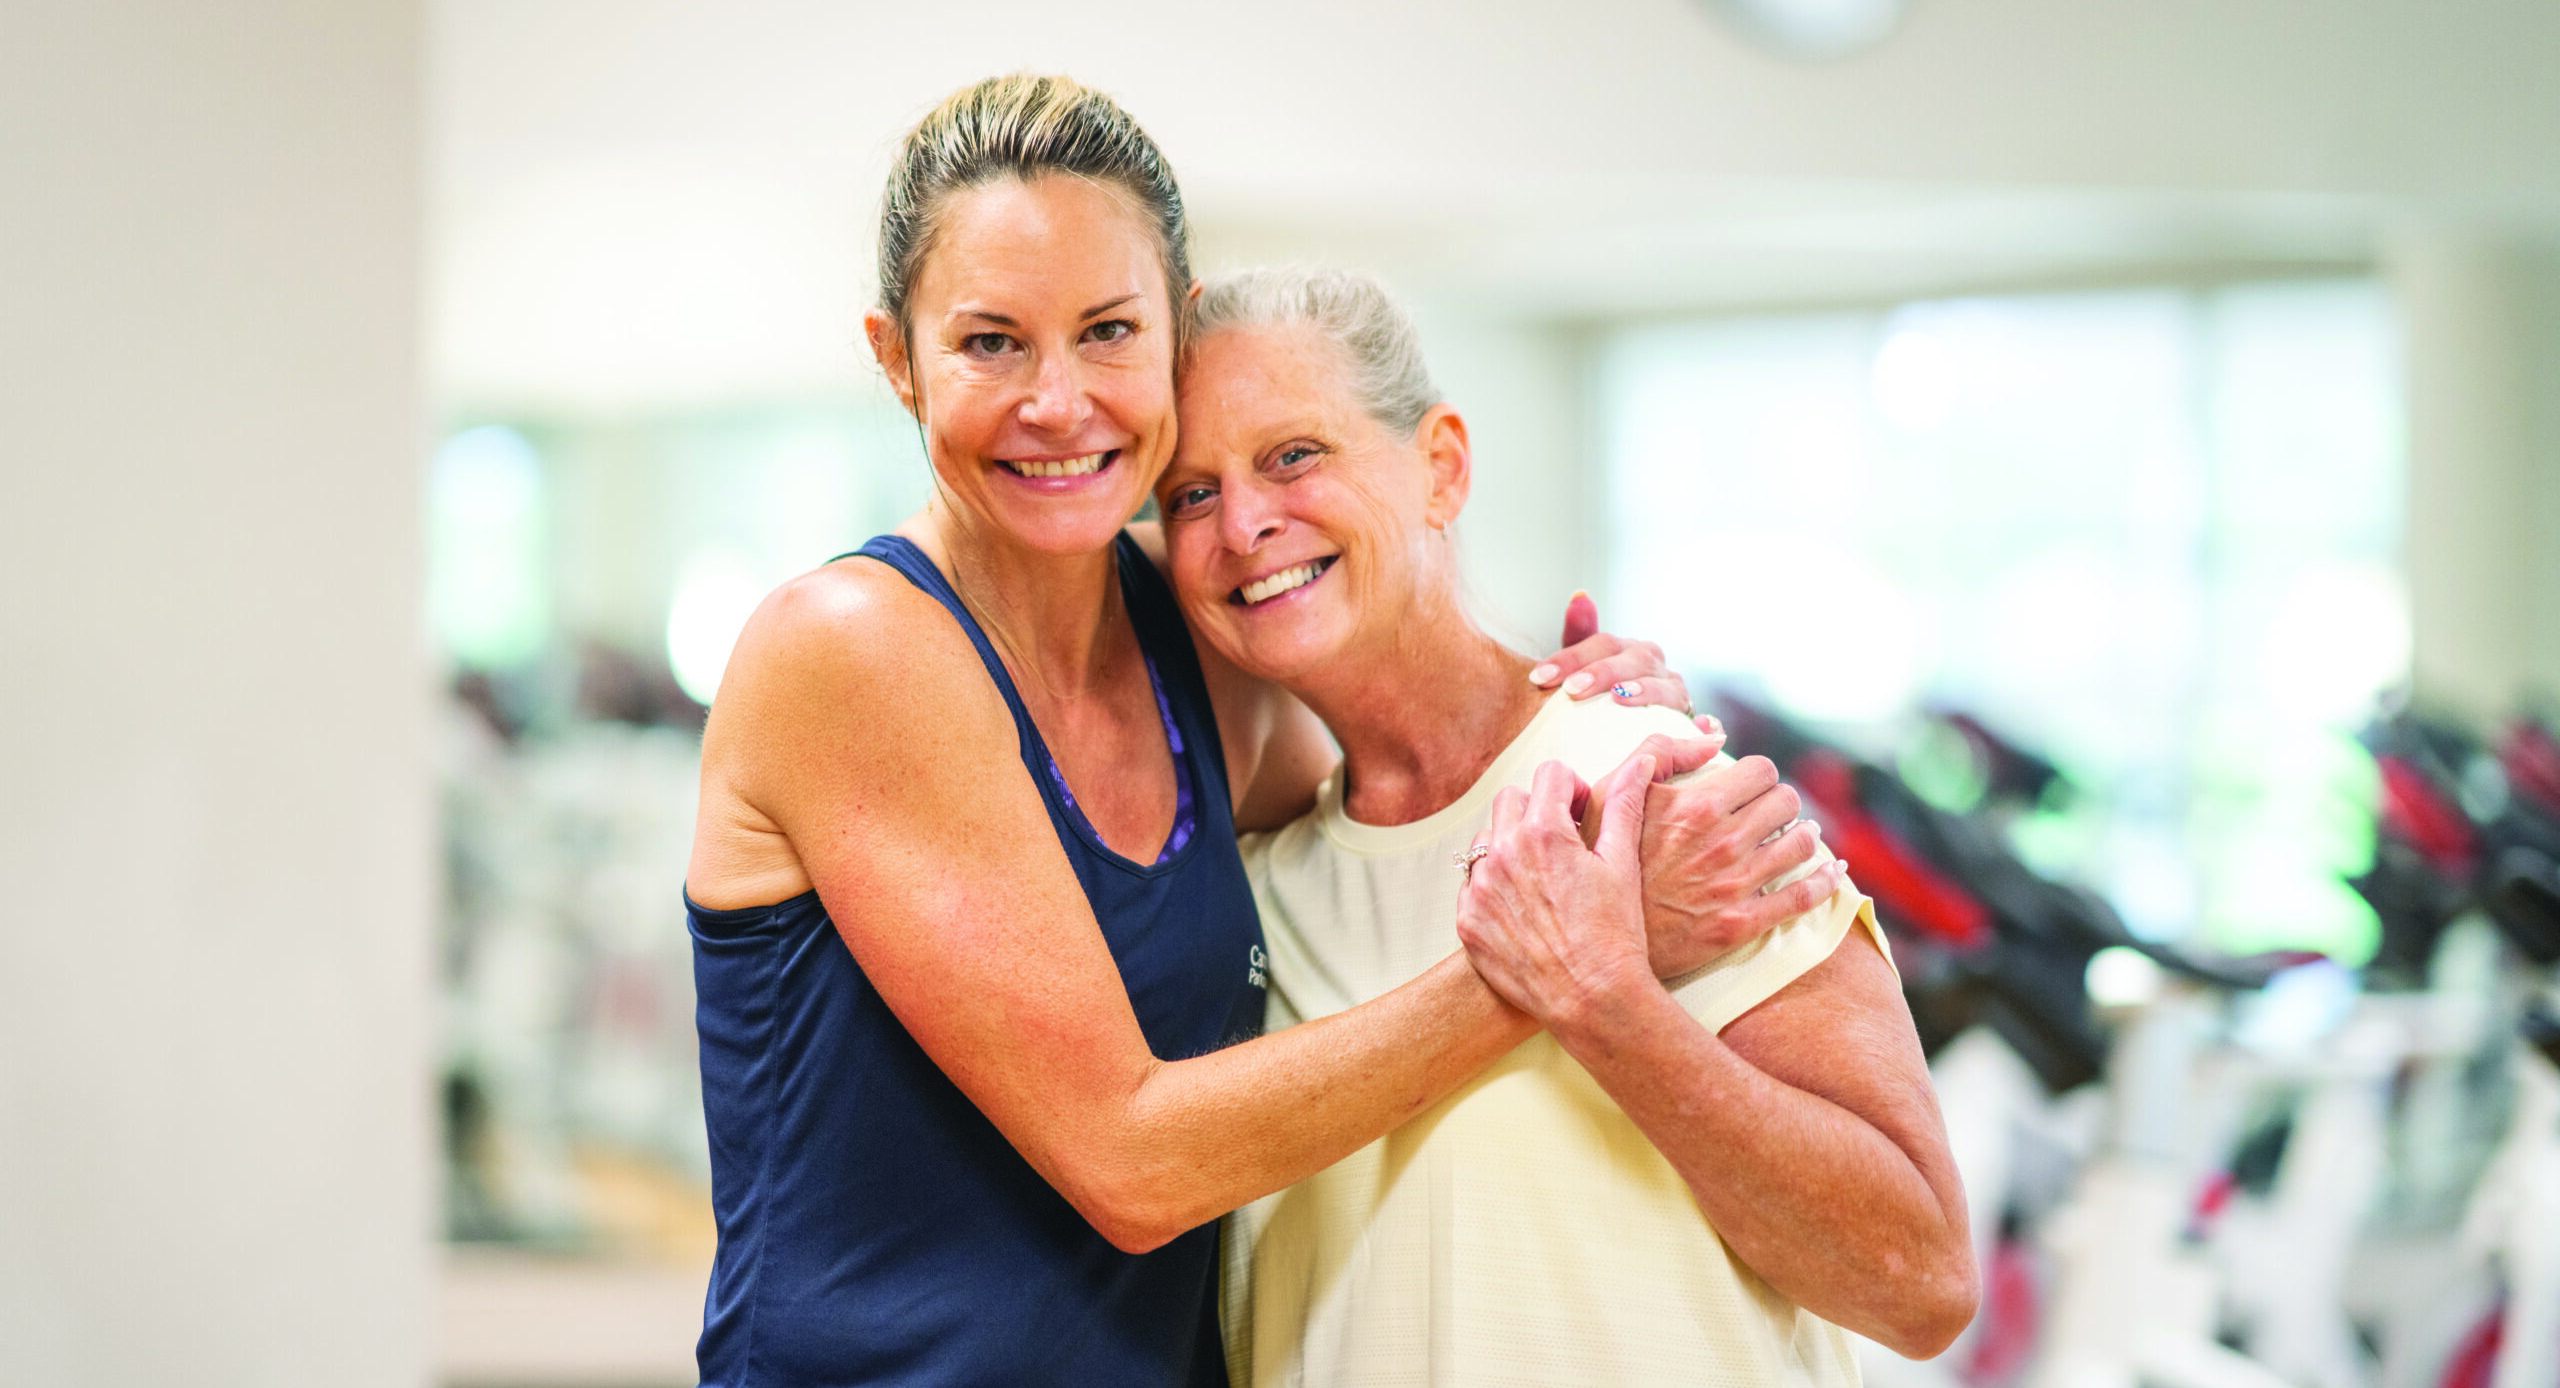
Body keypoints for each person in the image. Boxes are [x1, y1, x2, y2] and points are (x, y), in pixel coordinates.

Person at [681, 76, 1847, 1387]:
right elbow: (1132, 1159)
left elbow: (1395, 830)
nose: (1058, 402)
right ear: (897, 357)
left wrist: (1560, 708)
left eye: (1107, 332)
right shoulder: (852, 644)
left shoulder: (1198, 647)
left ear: (1173, 336)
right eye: (991, 342)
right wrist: (1580, 955)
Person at [1156, 267, 1980, 1387]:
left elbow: (1917, 1279)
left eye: (1293, 455)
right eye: (1188, 493)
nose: (1244, 521)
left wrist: (1612, 1004)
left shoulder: (1659, 795)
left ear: (1440, 465)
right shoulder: (1251, 893)